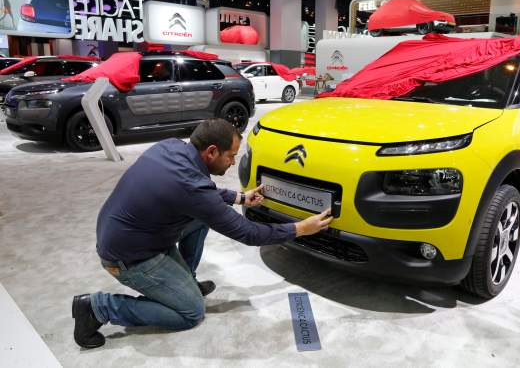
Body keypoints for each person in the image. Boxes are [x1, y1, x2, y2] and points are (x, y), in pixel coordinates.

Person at [72, 118, 333, 349]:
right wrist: (300, 228)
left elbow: (198, 193)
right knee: (190, 313)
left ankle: (185, 281)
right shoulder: (191, 187)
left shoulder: (171, 147)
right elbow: (248, 233)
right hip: (128, 258)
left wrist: (240, 198)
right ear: (211, 151)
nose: (233, 162)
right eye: (231, 156)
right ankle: (97, 307)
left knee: (201, 219)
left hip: (131, 234)